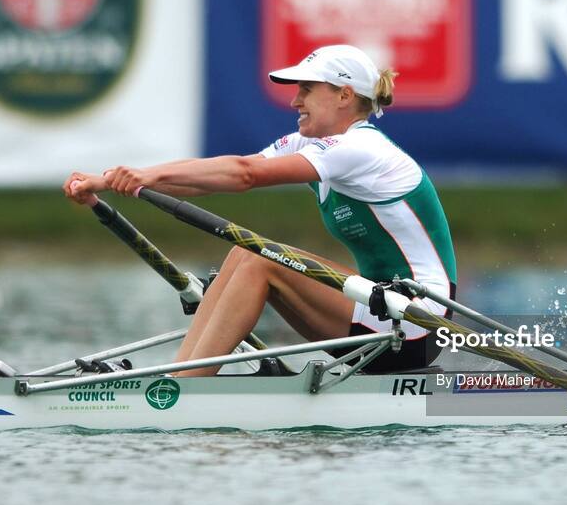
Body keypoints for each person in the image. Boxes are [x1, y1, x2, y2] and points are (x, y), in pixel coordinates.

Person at [64, 45, 457, 376]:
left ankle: (181, 389)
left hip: (418, 324)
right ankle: (178, 377)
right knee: (243, 254)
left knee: (259, 259)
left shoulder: (362, 149)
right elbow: (220, 174)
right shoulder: (311, 145)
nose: (295, 101)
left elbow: (245, 176)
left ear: (344, 95)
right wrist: (113, 181)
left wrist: (144, 174)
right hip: (379, 311)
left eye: (306, 89)